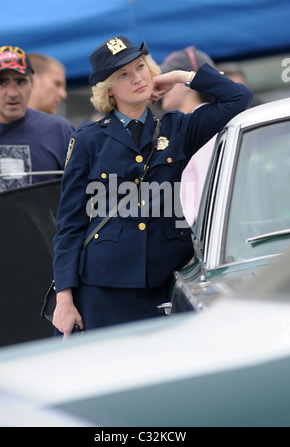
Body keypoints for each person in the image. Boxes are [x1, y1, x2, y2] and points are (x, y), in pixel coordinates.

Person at [52, 35, 253, 337]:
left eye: (140, 67)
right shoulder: (88, 140)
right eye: (123, 74)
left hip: (165, 285)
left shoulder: (179, 127)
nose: (137, 78)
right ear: (108, 89)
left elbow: (238, 98)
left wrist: (181, 77)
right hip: (103, 290)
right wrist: (64, 298)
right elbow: (69, 224)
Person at [0, 46, 75, 193]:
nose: (12, 93)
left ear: (32, 83)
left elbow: (83, 195)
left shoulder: (59, 131)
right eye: (1, 83)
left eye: (21, 82)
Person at [160, 46, 218, 226]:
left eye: (168, 78)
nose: (161, 86)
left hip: (199, 228)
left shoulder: (202, 122)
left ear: (187, 83)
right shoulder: (185, 123)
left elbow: (208, 192)